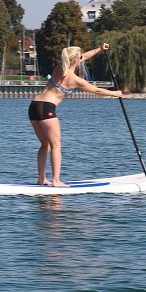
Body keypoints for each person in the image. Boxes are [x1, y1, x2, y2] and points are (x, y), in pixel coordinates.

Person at [29, 43, 123, 186]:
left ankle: (42, 179)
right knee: (56, 145)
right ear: (76, 60)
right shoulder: (75, 80)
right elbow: (97, 91)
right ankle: (56, 180)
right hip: (47, 108)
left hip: (34, 106)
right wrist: (115, 93)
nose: (82, 58)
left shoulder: (59, 68)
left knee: (45, 144)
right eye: (80, 57)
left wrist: (99, 49)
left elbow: (83, 56)